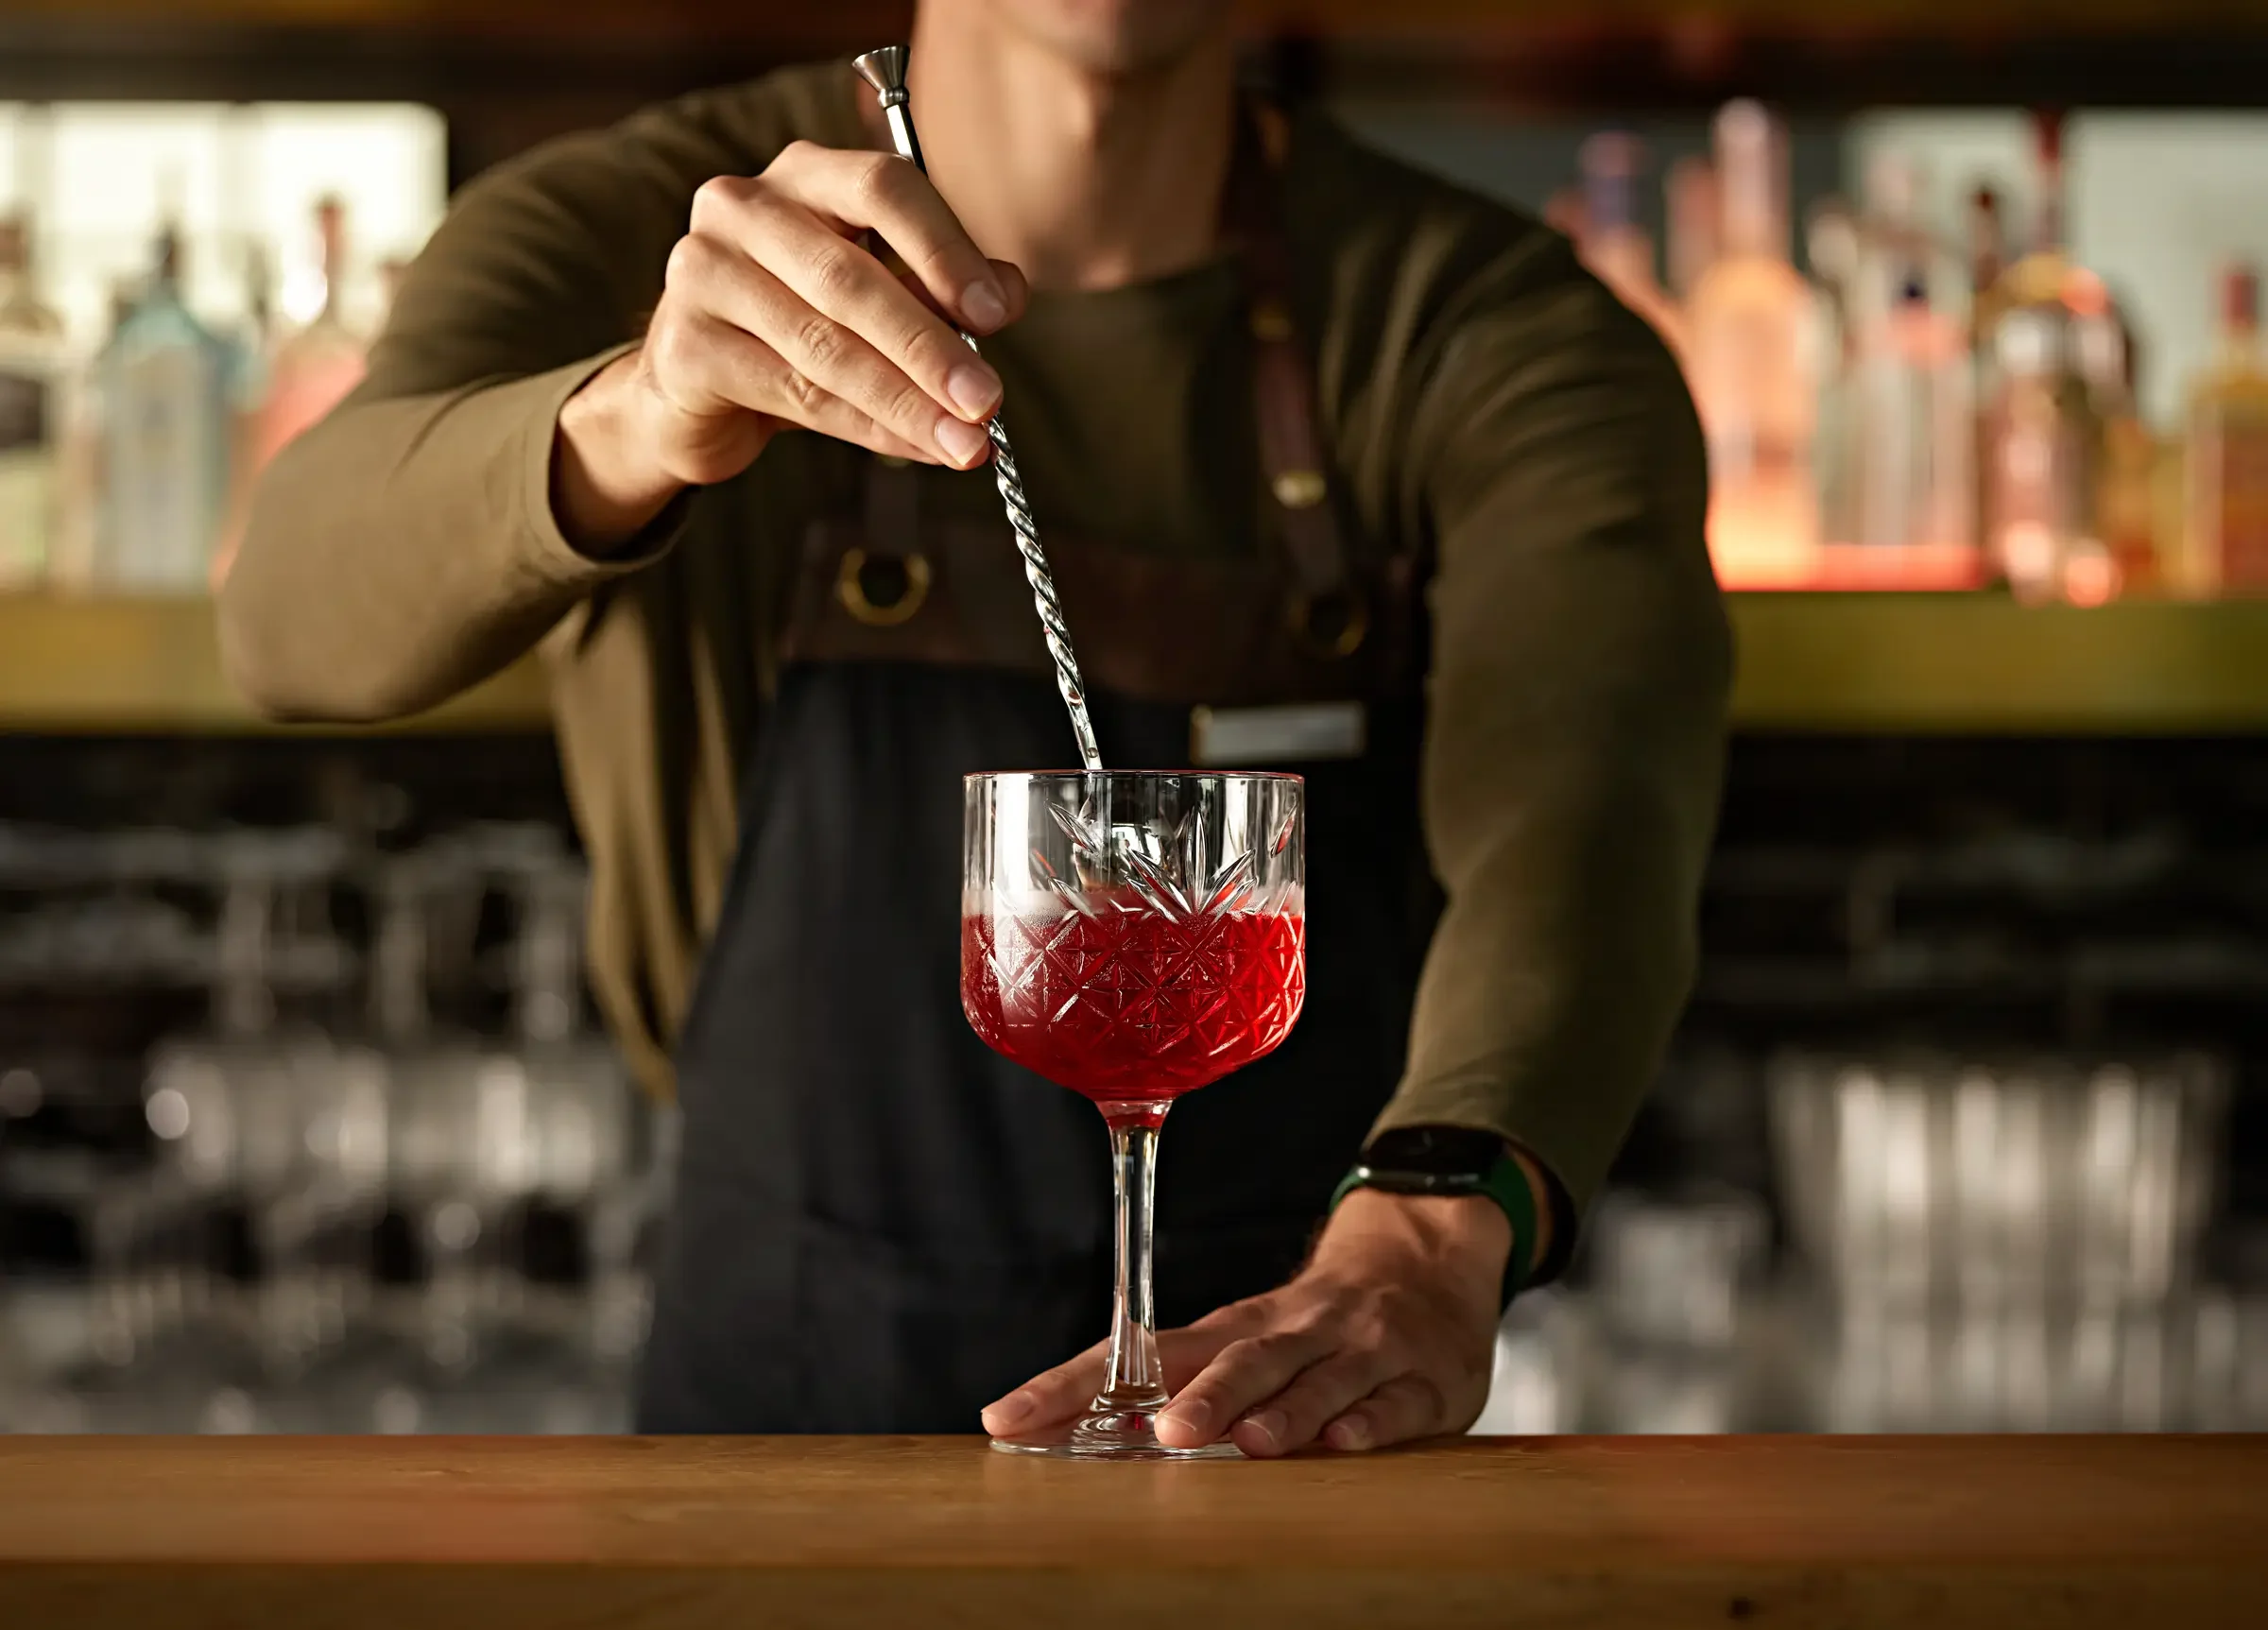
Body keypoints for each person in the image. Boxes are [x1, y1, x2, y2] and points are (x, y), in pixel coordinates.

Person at [220, 0, 1729, 1454]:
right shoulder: (644, 228)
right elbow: (287, 616)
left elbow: (1584, 809)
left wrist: (1427, 1225)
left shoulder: (1486, 324)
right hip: (786, 1399)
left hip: (1298, 1397)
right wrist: (641, 414)